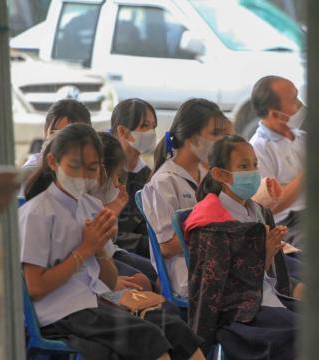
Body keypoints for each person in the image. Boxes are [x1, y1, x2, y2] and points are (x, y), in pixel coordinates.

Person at [20, 123, 204, 360]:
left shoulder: (90, 207)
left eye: (92, 168)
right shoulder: (38, 213)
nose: (83, 176)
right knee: (147, 337)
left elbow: (106, 281)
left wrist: (99, 251)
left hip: (95, 302)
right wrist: (85, 250)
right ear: (54, 162)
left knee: (175, 329)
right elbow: (35, 288)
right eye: (75, 166)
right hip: (60, 313)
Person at [185, 135, 319, 359]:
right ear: (220, 174)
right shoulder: (211, 221)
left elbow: (275, 275)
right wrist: (262, 257)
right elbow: (212, 287)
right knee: (317, 340)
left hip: (268, 298)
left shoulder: (259, 211)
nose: (253, 172)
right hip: (240, 312)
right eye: (243, 166)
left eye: (254, 164)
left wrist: (270, 255)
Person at [142, 98, 226, 298]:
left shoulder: (207, 175)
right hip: (187, 275)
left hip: (216, 263)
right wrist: (212, 226)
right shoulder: (164, 182)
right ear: (192, 138)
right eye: (215, 134)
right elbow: (167, 247)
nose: (222, 141)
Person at [249, 75, 319, 246]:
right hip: (290, 223)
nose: (301, 105)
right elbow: (269, 206)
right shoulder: (258, 149)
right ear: (275, 113)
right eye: (294, 99)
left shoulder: (302, 137)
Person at [92, 132, 161, 292]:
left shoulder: (99, 200)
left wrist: (112, 210)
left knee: (160, 276)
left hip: (110, 252)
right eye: (116, 176)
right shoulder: (84, 203)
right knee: (141, 283)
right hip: (95, 265)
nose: (118, 183)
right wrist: (110, 212)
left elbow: (109, 243)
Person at [111, 98, 157, 257]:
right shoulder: (104, 173)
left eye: (153, 126)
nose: (151, 133)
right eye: (144, 126)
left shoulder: (148, 175)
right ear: (122, 131)